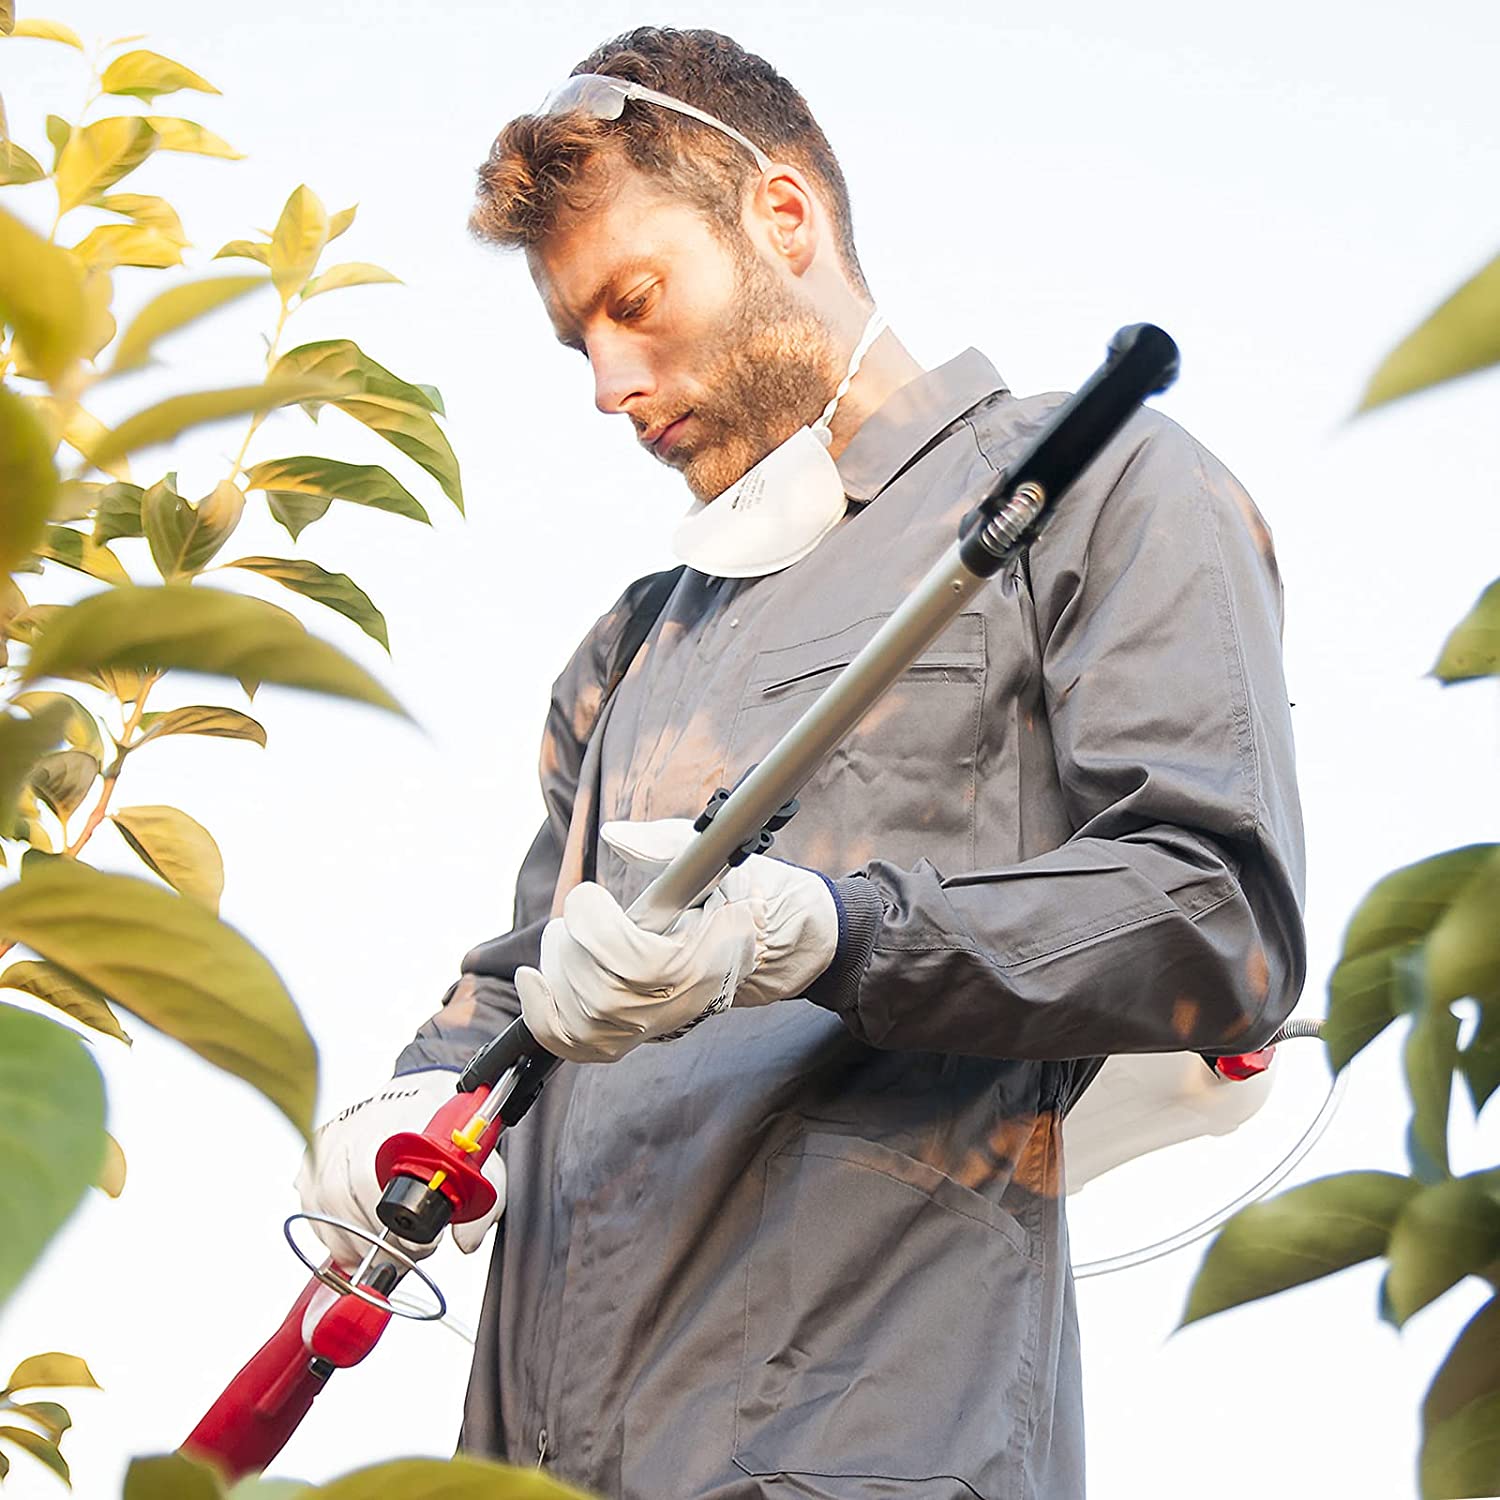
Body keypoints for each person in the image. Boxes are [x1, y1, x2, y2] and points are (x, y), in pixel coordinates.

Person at [296, 26, 1306, 1499]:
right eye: (579, 340)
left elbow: (1216, 918)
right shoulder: (632, 650)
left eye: (635, 303)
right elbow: (523, 986)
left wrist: (822, 933)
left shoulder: (1099, 490)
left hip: (866, 1446)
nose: (609, 383)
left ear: (784, 215)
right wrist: (413, 1102)